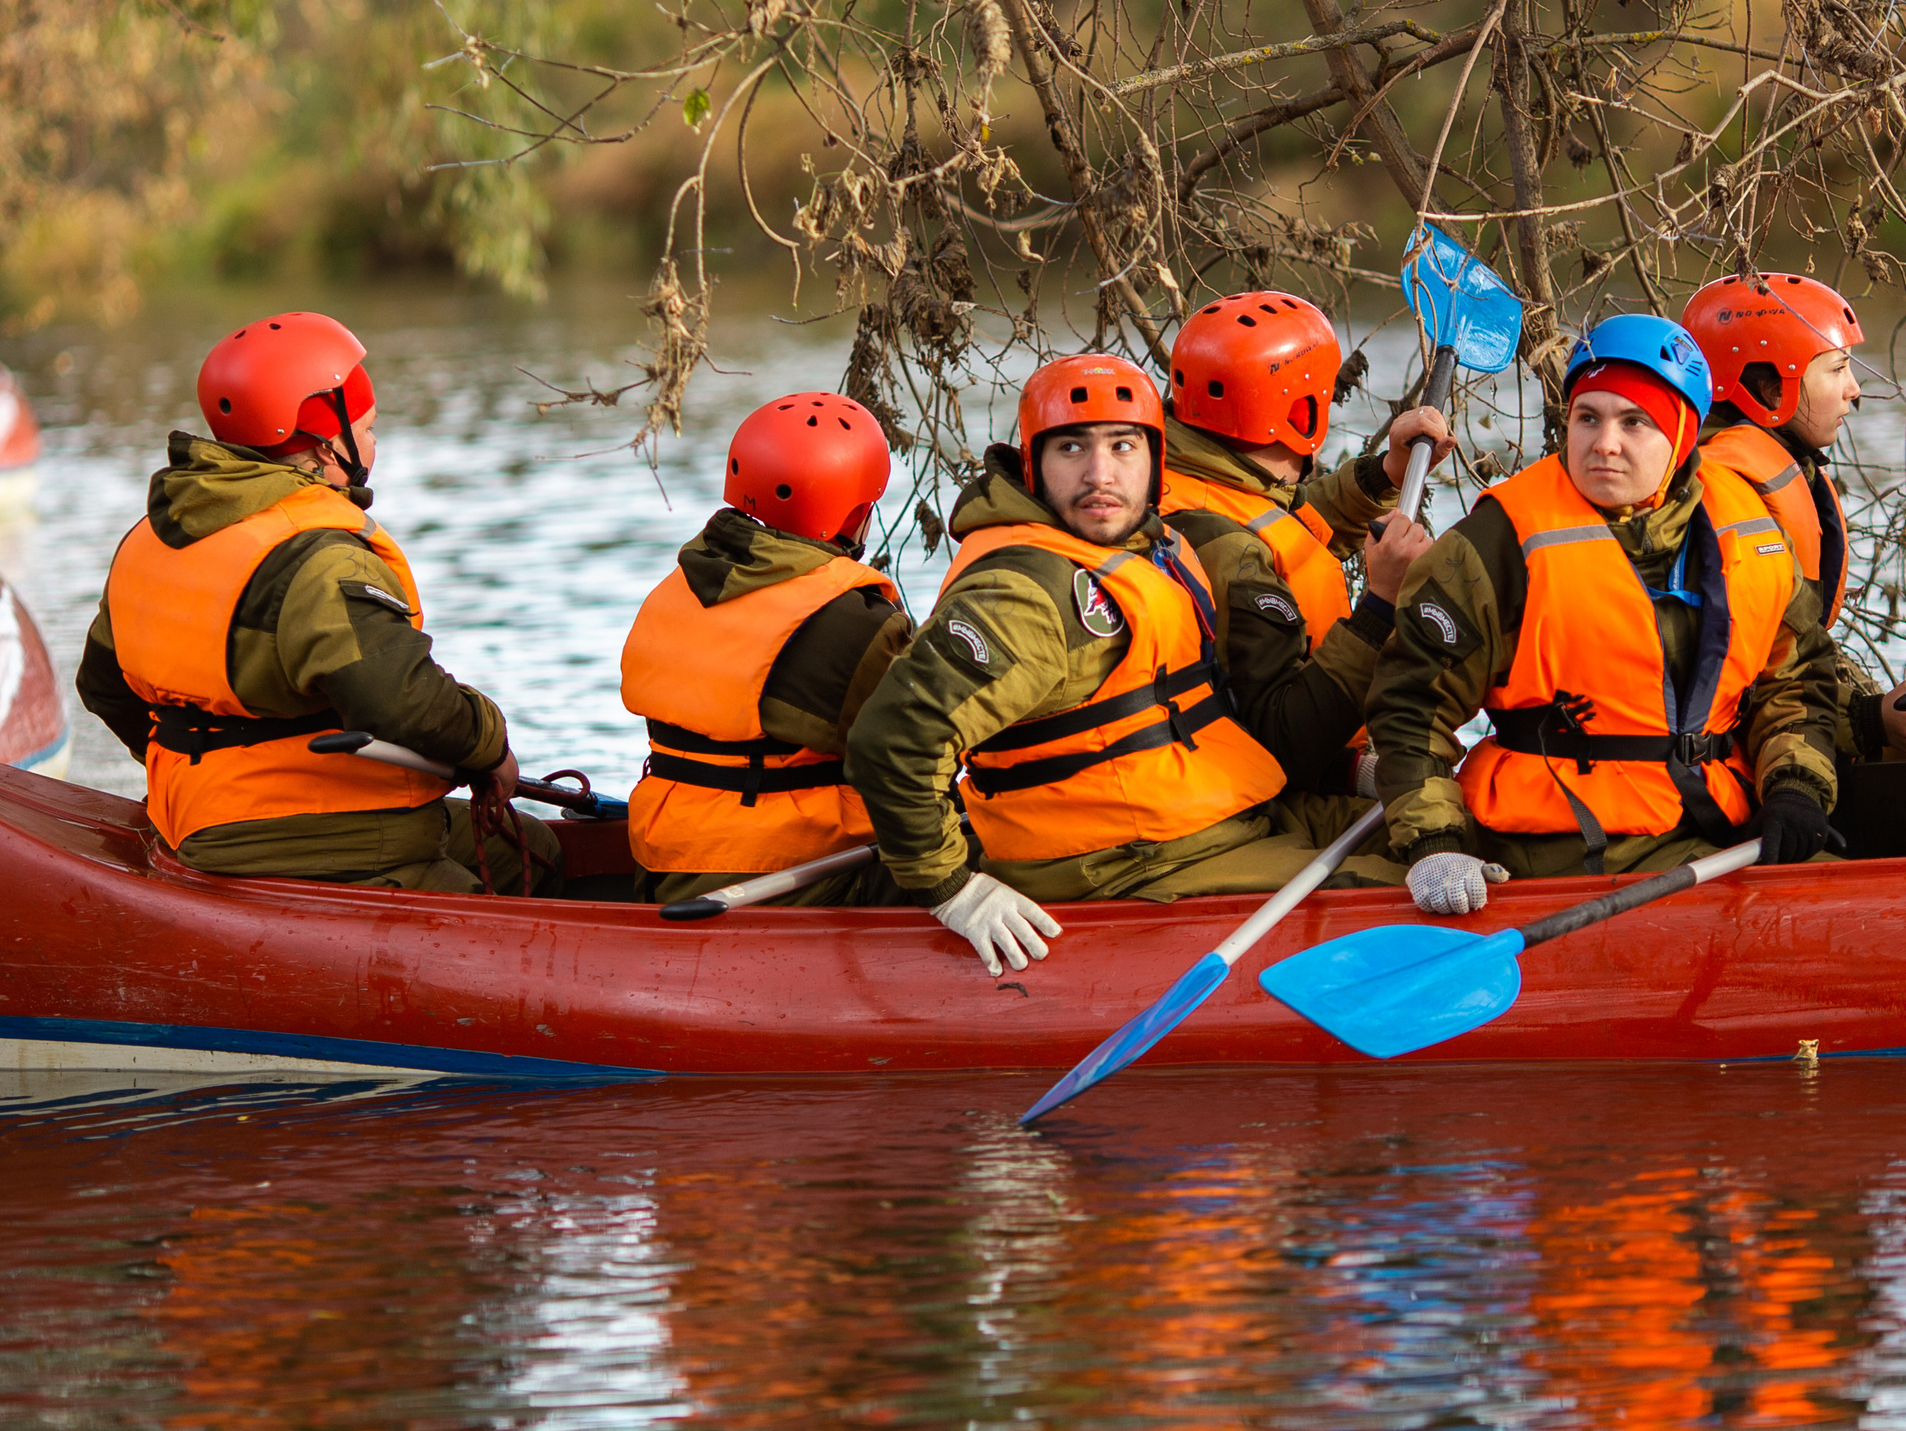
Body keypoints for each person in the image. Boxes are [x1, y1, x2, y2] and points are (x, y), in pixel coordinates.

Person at [847, 353, 1403, 975]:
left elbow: (1285, 520)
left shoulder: (1141, 539)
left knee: (1451, 828)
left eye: (1123, 446)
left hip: (1216, 815)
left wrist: (1378, 477)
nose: (1099, 475)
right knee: (1407, 892)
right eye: (1070, 450)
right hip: (1124, 859)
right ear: (1032, 465)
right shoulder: (1027, 596)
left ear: (1158, 461)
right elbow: (891, 743)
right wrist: (951, 889)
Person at [1366, 313, 1843, 914]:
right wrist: (1434, 842)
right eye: (1587, 417)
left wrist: (1796, 786)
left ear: (1682, 435)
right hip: (1568, 840)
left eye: (1634, 422)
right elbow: (1412, 708)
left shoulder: (1743, 525)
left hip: (1716, 815)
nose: (1604, 443)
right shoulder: (1496, 543)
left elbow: (1796, 680)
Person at [75, 312, 555, 891]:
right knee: (508, 910)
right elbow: (401, 702)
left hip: (187, 818)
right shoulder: (319, 561)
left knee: (537, 848)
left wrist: (198, 769)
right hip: (304, 831)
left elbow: (103, 687)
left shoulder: (149, 538)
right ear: (328, 447)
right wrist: (490, 745)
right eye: (369, 427)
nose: (375, 443)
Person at [1682, 271, 1906, 856]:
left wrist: (1874, 713)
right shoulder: (1723, 501)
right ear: (1765, 385)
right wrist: (1868, 723)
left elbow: (1792, 652)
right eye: (1835, 368)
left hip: (1783, 758)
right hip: (1745, 787)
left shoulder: (1772, 471)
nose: (1855, 390)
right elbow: (1750, 679)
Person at [620, 392, 911, 905]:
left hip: (663, 858)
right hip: (790, 873)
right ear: (853, 514)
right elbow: (922, 750)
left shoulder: (680, 583)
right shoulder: (856, 624)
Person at [1159, 291, 1451, 793]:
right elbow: (1286, 743)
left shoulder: (1191, 472)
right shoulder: (1227, 552)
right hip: (1272, 791)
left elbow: (1292, 524)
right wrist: (1380, 607)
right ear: (1301, 416)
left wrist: (1386, 474)